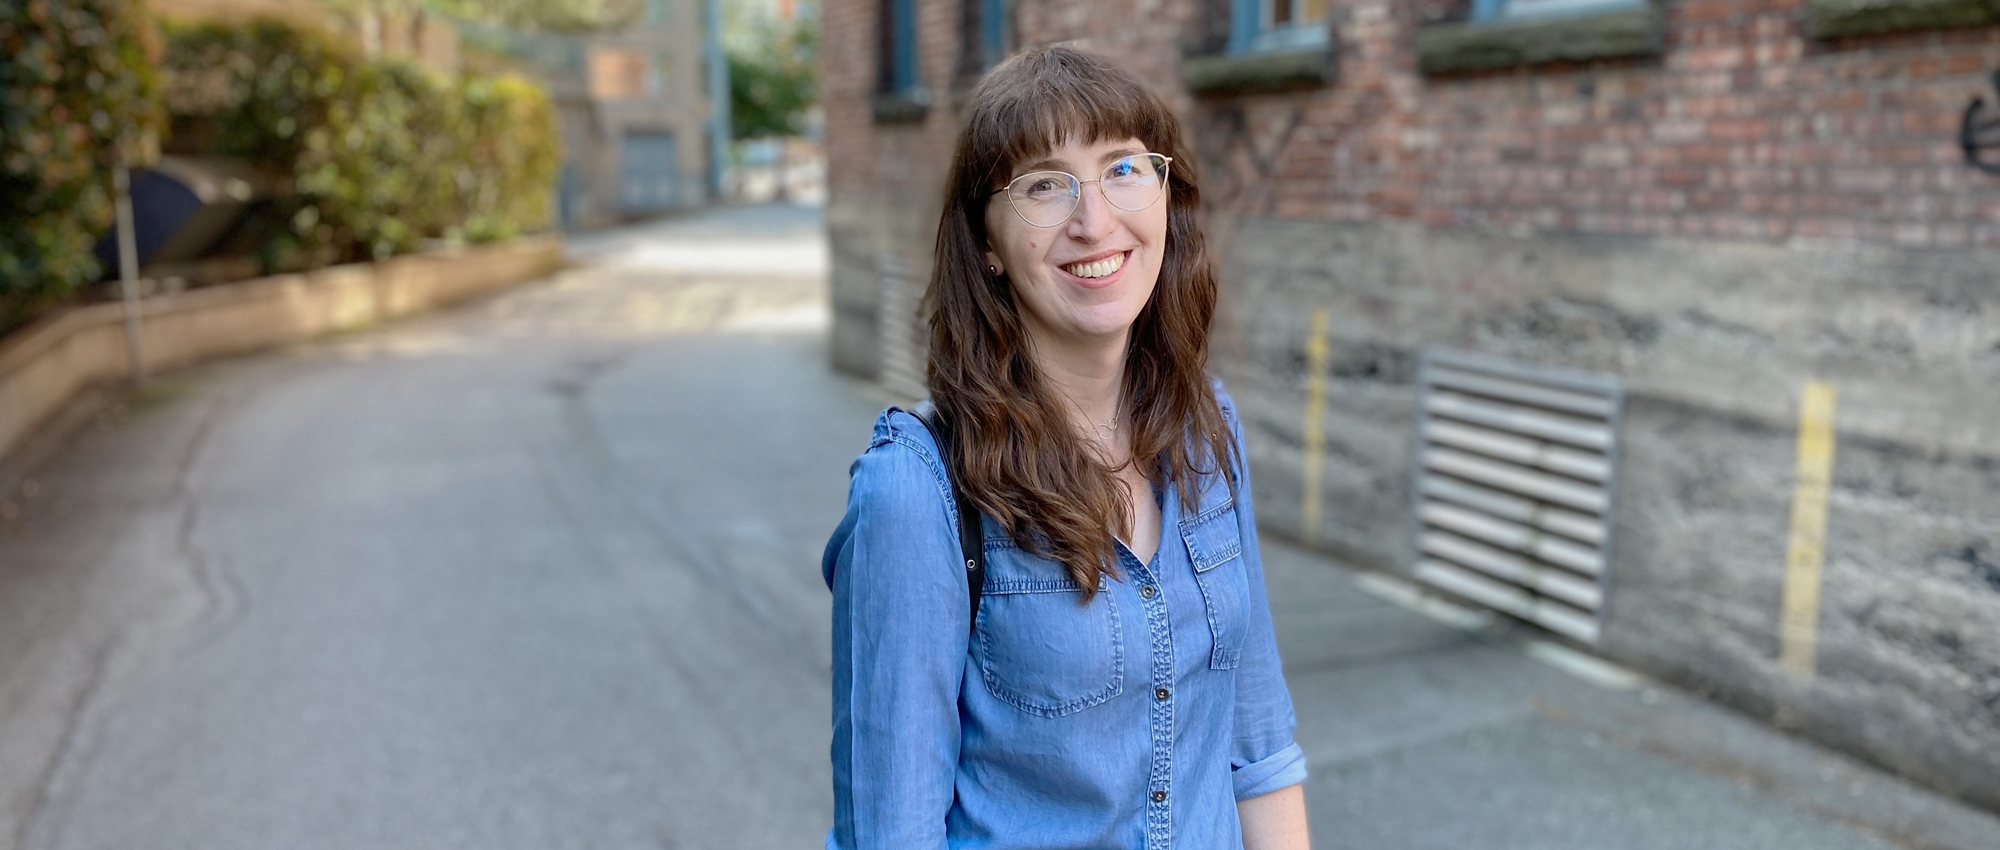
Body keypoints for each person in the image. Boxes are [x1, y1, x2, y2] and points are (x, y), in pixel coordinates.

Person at [822, 46, 1310, 850]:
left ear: (1165, 197)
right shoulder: (919, 493)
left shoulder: (1205, 428)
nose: (1095, 220)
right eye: (1045, 184)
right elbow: (891, 832)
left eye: (1123, 168)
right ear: (985, 240)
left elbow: (1256, 743)